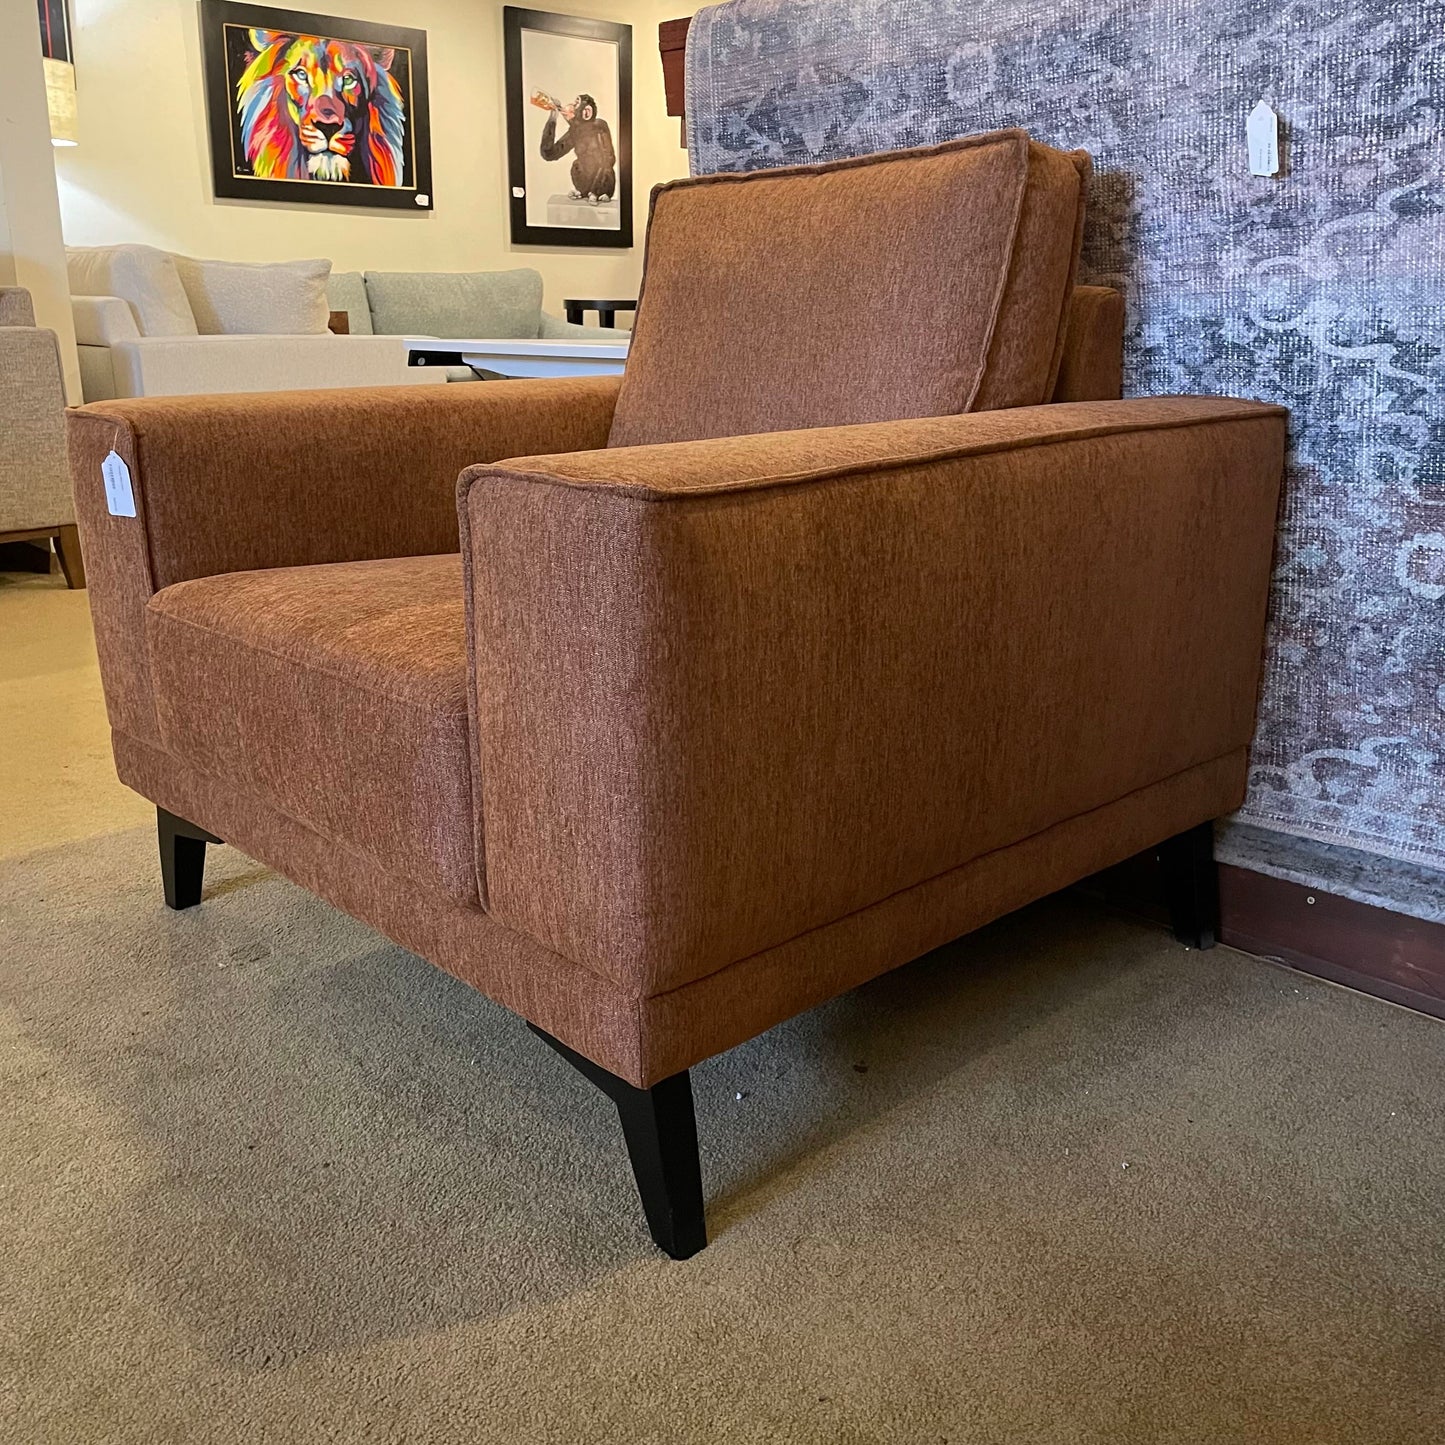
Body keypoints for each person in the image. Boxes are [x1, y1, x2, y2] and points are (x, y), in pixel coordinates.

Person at [538, 92, 617, 203]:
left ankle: (597, 192)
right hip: (584, 184)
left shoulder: (600, 127)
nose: (571, 106)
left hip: (603, 182)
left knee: (604, 163)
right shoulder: (575, 132)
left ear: (587, 112)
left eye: (576, 104)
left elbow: (608, 159)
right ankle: (583, 192)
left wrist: (595, 191)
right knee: (577, 165)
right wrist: (552, 119)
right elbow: (549, 154)